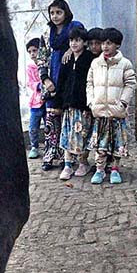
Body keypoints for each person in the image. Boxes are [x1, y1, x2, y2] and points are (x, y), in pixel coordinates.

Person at [86, 28, 136, 184]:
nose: (105, 47)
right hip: (100, 113)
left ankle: (115, 170)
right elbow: (90, 83)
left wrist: (123, 103)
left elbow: (130, 84)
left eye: (109, 43)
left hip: (116, 113)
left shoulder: (125, 63)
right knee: (100, 145)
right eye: (103, 43)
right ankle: (99, 170)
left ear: (117, 45)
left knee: (117, 145)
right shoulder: (95, 63)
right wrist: (91, 102)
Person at [39, 0, 84, 171]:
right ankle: (50, 154)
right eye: (52, 13)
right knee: (51, 116)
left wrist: (71, 50)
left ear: (66, 13)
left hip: (70, 77)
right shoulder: (46, 32)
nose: (55, 16)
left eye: (59, 12)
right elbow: (41, 58)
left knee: (69, 117)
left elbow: (83, 42)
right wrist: (45, 79)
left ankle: (70, 155)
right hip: (52, 77)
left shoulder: (75, 27)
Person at [55, 27, 94, 180]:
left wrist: (89, 104)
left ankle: (83, 162)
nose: (74, 43)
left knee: (83, 135)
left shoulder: (90, 59)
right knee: (66, 134)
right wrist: (59, 103)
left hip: (83, 105)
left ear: (84, 42)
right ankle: (67, 165)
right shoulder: (67, 59)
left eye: (77, 40)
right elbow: (61, 81)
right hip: (68, 105)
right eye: (72, 40)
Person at [25, 38, 45, 159]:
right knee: (33, 126)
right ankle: (34, 146)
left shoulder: (47, 63)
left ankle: (50, 146)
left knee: (49, 125)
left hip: (47, 101)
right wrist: (38, 85)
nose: (33, 54)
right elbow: (29, 82)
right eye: (30, 51)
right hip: (35, 101)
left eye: (35, 50)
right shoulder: (30, 67)